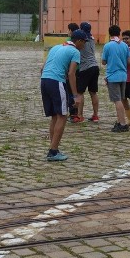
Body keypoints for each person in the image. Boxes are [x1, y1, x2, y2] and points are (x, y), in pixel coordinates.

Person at [40, 29, 86, 161]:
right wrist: (76, 95)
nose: (84, 46)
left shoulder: (56, 47)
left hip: (44, 80)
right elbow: (72, 74)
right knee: (62, 116)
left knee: (55, 116)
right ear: (78, 41)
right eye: (84, 42)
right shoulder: (75, 51)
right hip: (56, 82)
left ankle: (53, 148)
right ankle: (53, 151)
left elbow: (42, 68)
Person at [101, 24, 130, 132]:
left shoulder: (108, 46)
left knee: (117, 100)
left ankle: (123, 123)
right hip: (123, 75)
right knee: (121, 100)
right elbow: (129, 61)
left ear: (109, 33)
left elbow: (103, 62)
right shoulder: (124, 45)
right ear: (119, 33)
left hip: (113, 76)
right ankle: (119, 121)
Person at [72, 21, 100, 123]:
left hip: (85, 68)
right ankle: (95, 115)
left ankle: (79, 115)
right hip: (95, 66)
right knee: (93, 92)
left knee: (80, 92)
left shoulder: (82, 40)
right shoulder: (92, 38)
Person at [65, 22, 80, 120]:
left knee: (70, 92)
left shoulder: (68, 42)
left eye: (68, 29)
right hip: (78, 70)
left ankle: (72, 113)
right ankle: (74, 113)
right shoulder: (82, 40)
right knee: (74, 91)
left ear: (71, 31)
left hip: (70, 71)